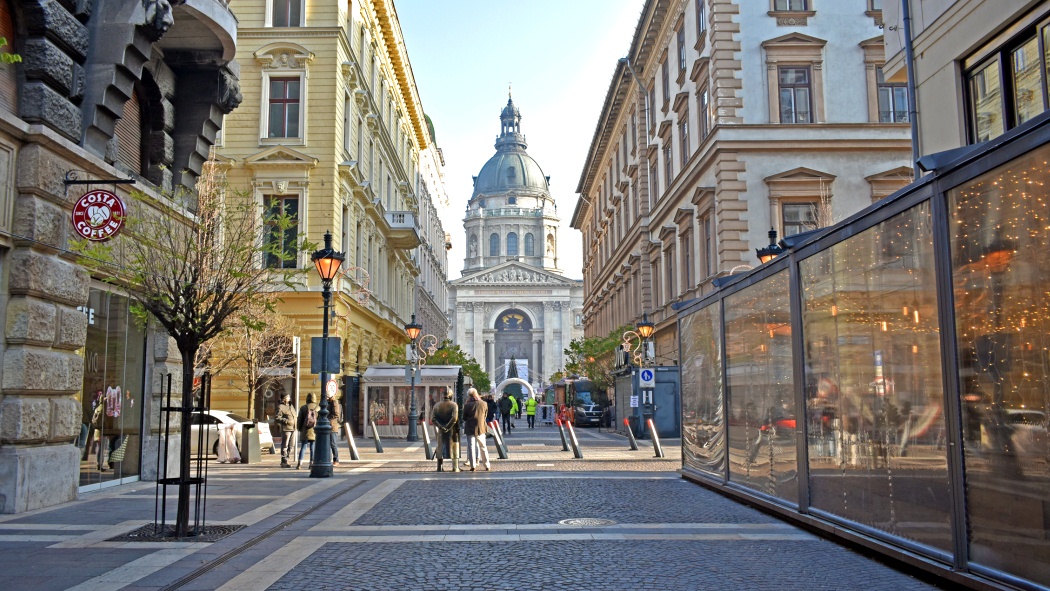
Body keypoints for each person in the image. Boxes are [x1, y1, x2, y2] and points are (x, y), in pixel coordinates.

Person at [462, 388, 491, 471]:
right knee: (483, 446)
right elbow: (485, 415)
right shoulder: (484, 403)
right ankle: (487, 465)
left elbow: (464, 417)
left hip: (470, 428)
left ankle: (473, 466)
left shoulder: (467, 405)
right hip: (481, 428)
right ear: (476, 393)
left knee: (471, 447)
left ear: (469, 395)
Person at [431, 389, 459, 472]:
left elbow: (433, 418)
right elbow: (454, 418)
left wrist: (441, 427)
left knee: (440, 447)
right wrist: (447, 427)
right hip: (452, 430)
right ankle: (455, 467)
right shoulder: (454, 405)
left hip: (441, 430)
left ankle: (439, 467)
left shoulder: (437, 405)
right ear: (450, 395)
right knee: (454, 447)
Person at [296, 393, 318, 470]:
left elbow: (299, 419)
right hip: (314, 430)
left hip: (305, 430)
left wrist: (299, 428)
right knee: (312, 448)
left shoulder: (303, 408)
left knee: (303, 447)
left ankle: (299, 463)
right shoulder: (318, 408)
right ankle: (311, 463)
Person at [276, 394, 297, 468]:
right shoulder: (280, 407)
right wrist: (286, 421)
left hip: (293, 428)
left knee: (291, 445)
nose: (289, 398)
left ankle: (286, 458)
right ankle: (284, 461)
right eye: (288, 397)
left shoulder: (291, 406)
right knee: (285, 445)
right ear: (284, 398)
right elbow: (277, 418)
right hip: (286, 429)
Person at [326, 391, 341, 466]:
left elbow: (336, 414)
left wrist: (327, 419)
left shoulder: (334, 402)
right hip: (326, 426)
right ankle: (328, 459)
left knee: (333, 444)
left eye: (327, 396)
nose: (326, 398)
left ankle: (336, 460)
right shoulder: (326, 402)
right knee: (327, 444)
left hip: (332, 427)